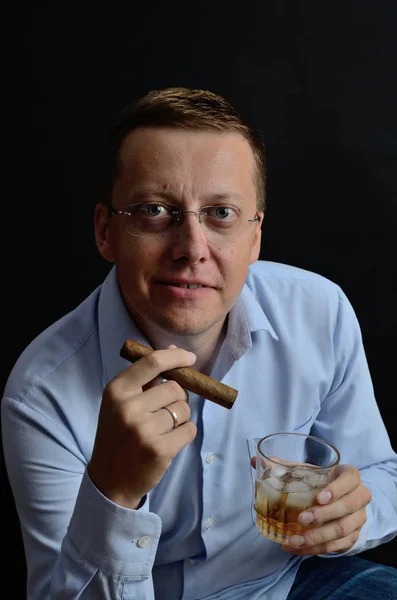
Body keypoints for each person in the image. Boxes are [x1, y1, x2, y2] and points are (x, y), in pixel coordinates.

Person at [2, 86, 397, 600]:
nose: (192, 249)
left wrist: (352, 516)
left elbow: (380, 475)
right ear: (105, 232)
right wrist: (114, 492)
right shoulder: (41, 393)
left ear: (255, 237)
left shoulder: (320, 312)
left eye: (221, 214)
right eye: (154, 211)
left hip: (292, 583)